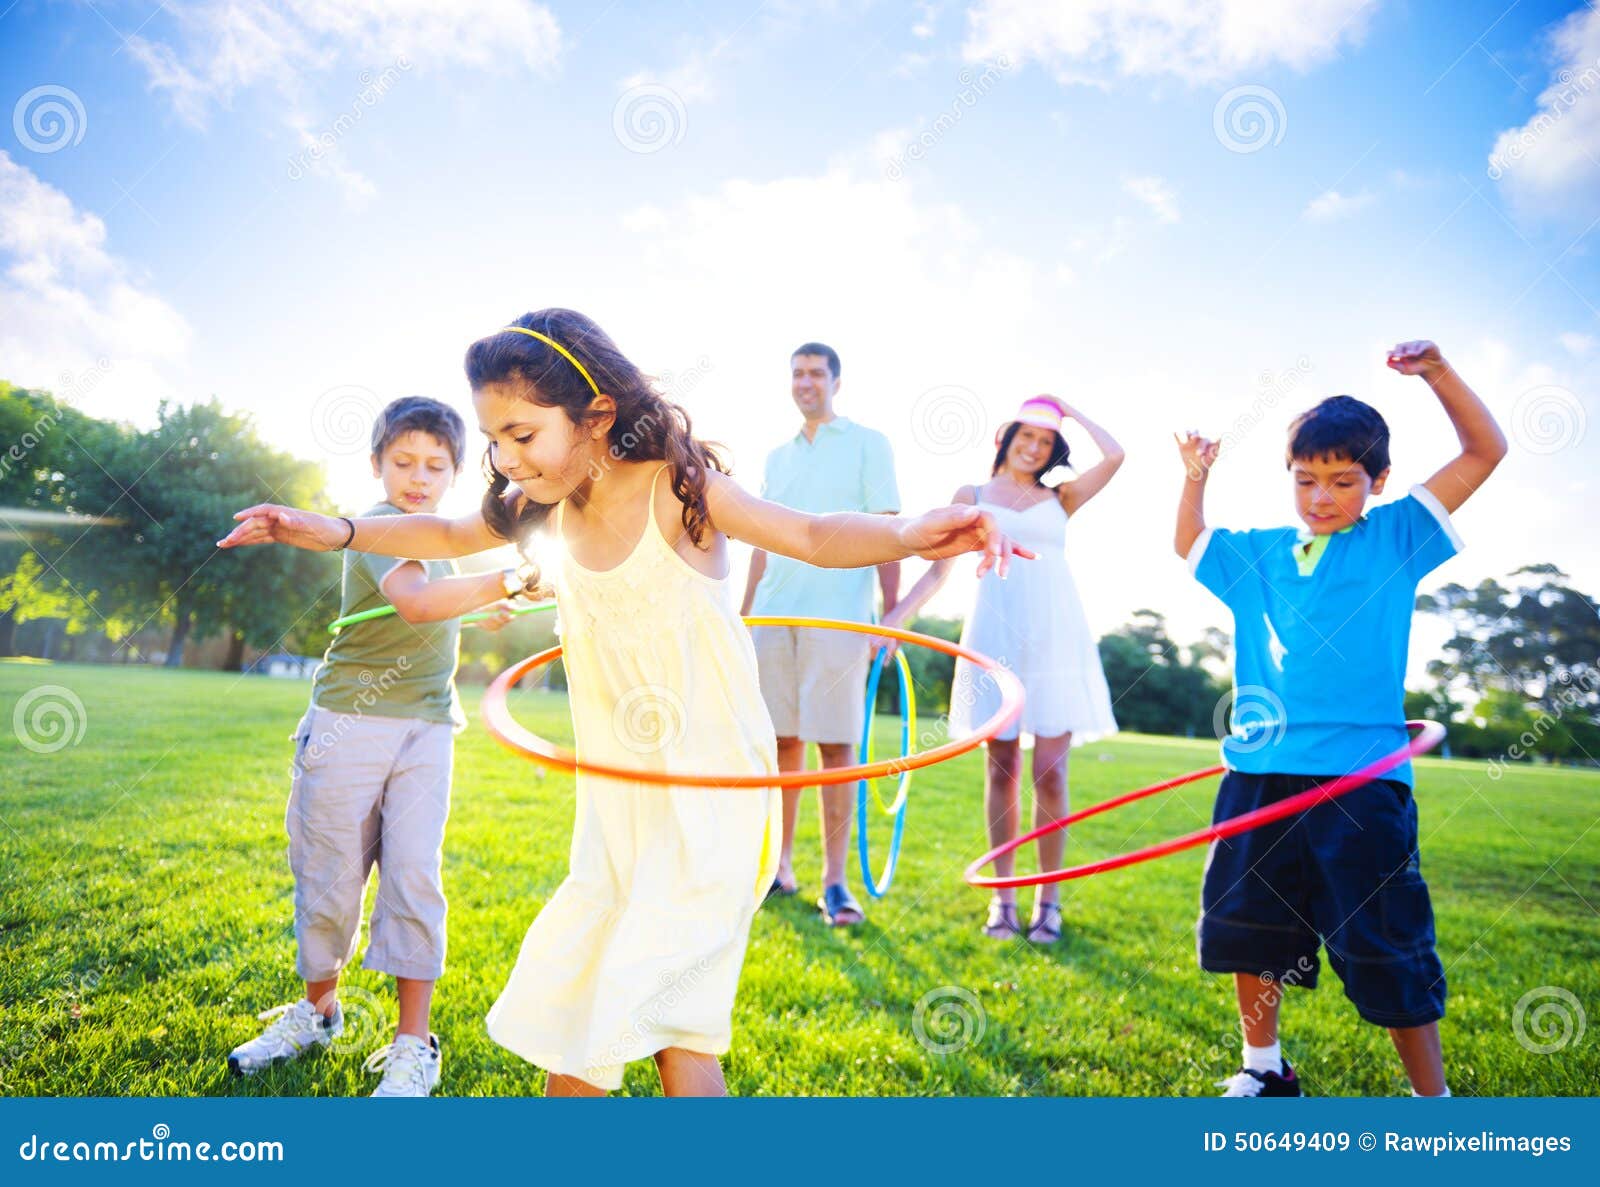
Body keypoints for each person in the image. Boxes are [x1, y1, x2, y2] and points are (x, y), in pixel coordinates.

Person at [220, 308, 1033, 1096]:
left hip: (708, 795)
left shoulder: (681, 490)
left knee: (610, 1023)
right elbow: (441, 536)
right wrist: (331, 529)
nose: (505, 460)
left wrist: (914, 529)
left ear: (596, 413)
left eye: (523, 436)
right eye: (495, 441)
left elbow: (813, 534)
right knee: (655, 1032)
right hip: (618, 813)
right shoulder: (543, 505)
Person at [1174, 340, 1505, 1098]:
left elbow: (1485, 451)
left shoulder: (1395, 538)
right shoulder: (1260, 554)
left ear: (1376, 480)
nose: (1321, 497)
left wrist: (1438, 374)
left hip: (1361, 779)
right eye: (1306, 480)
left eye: (1342, 481)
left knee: (1384, 940)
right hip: (1260, 771)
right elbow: (1188, 543)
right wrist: (1195, 477)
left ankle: (1435, 1102)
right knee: (1251, 930)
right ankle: (1265, 1067)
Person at [224, 396, 525, 1097]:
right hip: (347, 722)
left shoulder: (442, 542)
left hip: (427, 725)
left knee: (416, 875)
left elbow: (434, 607)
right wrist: (514, 576)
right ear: (376, 465)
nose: (418, 477)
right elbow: (415, 602)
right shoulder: (380, 527)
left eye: (435, 466)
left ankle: (412, 1044)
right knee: (329, 878)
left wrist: (479, 608)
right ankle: (318, 1010)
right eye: (403, 462)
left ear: (455, 472)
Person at [879, 395, 1122, 943]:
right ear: (1005, 437)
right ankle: (1004, 899)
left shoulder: (1062, 497)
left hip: (1057, 639)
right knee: (1002, 767)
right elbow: (937, 571)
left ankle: (1049, 900)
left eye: (1045, 441)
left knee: (1052, 773)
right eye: (1026, 436)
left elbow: (1115, 456)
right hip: (997, 636)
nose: (1034, 448)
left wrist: (1072, 411)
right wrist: (896, 620)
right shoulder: (973, 496)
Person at [741, 342, 900, 926]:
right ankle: (778, 867)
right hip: (775, 614)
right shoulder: (778, 456)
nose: (805, 383)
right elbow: (759, 537)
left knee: (835, 748)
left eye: (815, 373)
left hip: (839, 616)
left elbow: (889, 529)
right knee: (781, 745)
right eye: (797, 374)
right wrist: (744, 613)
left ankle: (835, 883)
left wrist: (893, 613)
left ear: (836, 380)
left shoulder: (867, 444)